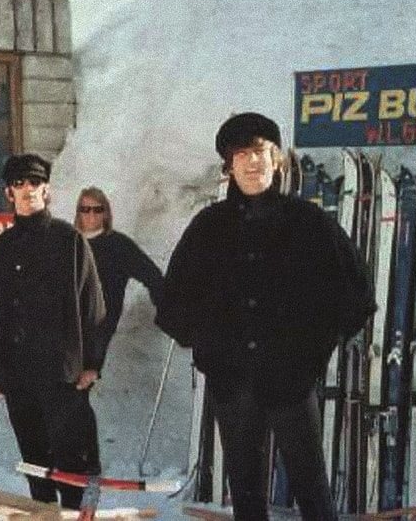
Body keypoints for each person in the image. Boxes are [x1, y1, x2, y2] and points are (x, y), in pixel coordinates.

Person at [156, 112, 375, 521]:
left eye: (260, 152)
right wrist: (211, 346)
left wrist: (311, 351)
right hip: (233, 384)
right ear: (229, 167)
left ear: (277, 160)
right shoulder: (209, 226)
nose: (252, 163)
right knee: (245, 491)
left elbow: (355, 297)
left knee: (311, 486)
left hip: (291, 380)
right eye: (242, 155)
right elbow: (173, 305)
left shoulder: (308, 223)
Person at [0, 154, 106, 510]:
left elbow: (93, 307)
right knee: (35, 462)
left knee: (71, 462)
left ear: (46, 190)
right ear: (8, 193)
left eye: (34, 183)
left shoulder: (69, 240)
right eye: (20, 184)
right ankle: (43, 516)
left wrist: (92, 363)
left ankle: (78, 516)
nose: (28, 190)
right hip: (19, 375)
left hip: (62, 375)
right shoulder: (2, 248)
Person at [74, 187, 165, 367]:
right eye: (85, 209)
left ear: (106, 213)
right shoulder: (68, 243)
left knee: (79, 384)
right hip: (64, 327)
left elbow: (151, 275)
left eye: (97, 209)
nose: (91, 214)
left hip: (97, 328)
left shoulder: (118, 245)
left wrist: (167, 308)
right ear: (78, 213)